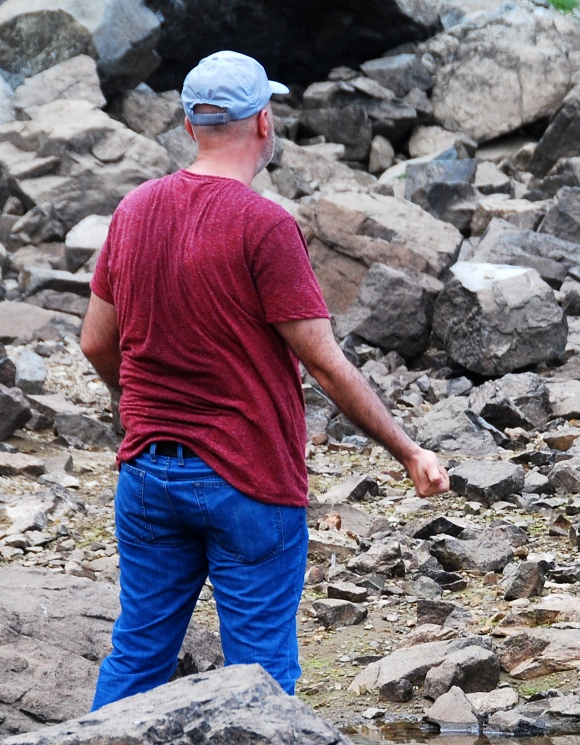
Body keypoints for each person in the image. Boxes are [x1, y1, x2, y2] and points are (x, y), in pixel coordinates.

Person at [81, 50, 449, 710]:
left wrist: (131, 403)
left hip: (147, 474)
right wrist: (410, 451)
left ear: (191, 127)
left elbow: (95, 341)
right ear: (264, 124)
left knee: (138, 652)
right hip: (247, 477)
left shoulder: (133, 210)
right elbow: (325, 363)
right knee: (260, 677)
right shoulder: (264, 223)